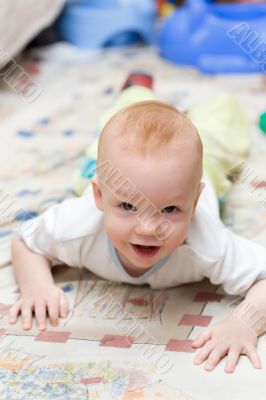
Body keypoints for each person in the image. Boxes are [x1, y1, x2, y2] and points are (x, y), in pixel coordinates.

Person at [9, 73, 266, 374]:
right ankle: (136, 89)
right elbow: (25, 242)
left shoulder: (207, 243)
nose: (148, 229)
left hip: (200, 166)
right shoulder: (77, 225)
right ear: (99, 197)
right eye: (128, 206)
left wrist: (244, 322)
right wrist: (36, 285)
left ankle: (223, 101)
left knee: (217, 136)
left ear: (194, 203)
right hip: (107, 168)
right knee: (118, 125)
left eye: (170, 209)